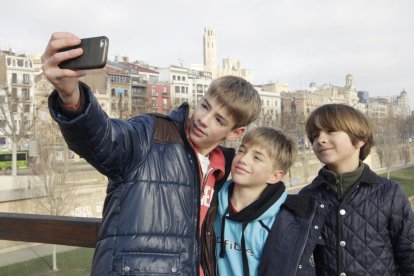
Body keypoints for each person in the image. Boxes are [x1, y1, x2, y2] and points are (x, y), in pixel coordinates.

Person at [41, 32, 262, 275]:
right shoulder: (151, 133)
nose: (202, 119)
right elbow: (104, 139)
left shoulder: (222, 172)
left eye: (218, 120)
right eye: (205, 105)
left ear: (235, 132)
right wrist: (71, 97)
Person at [300, 103, 414, 275]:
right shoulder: (306, 197)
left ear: (360, 139)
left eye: (330, 131)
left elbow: (409, 255)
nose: (320, 140)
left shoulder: (390, 193)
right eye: (315, 136)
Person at [201, 126, 327, 276]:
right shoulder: (209, 204)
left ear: (275, 176)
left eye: (257, 158)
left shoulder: (283, 223)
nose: (243, 159)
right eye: (241, 150)